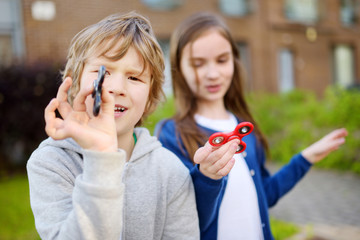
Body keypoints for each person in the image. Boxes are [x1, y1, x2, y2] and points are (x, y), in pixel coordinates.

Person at [155, 12, 348, 240]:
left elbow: (265, 194)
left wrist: (306, 158)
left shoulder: (245, 127)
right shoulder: (170, 134)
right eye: (198, 64)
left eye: (222, 60)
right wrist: (207, 176)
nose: (213, 74)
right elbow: (185, 218)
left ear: (235, 62)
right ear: (179, 68)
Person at [27, 12, 199, 240]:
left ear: (150, 97)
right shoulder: (51, 163)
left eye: (134, 78)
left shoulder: (171, 172)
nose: (117, 88)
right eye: (103, 72)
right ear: (75, 83)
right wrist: (101, 159)